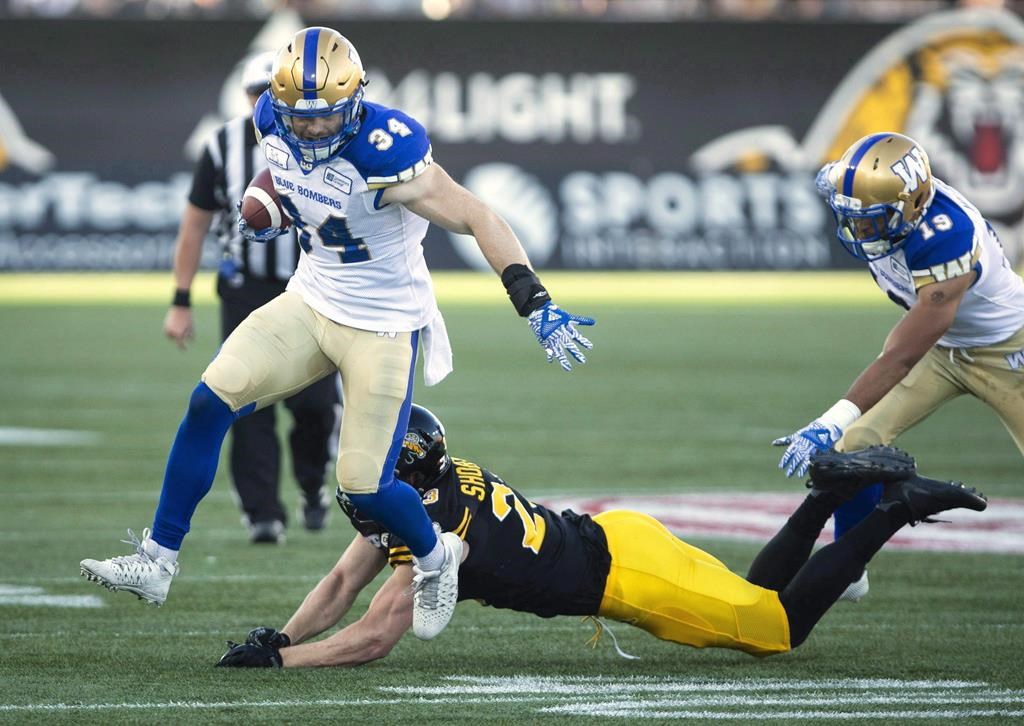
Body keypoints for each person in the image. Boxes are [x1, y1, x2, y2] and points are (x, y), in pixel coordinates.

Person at [80, 26, 595, 642]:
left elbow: (478, 214)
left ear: (355, 101)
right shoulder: (272, 117)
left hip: (382, 324)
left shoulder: (387, 151)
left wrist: (533, 299)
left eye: (326, 118)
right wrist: (269, 206)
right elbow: (284, 171)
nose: (312, 129)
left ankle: (437, 560)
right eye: (300, 117)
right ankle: (158, 561)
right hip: (310, 298)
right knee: (208, 400)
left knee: (364, 487)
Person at [214, 405, 987, 668]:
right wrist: (279, 634)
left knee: (777, 632)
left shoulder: (441, 525)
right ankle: (822, 499)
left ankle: (891, 510)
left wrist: (283, 661)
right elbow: (344, 580)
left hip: (627, 581)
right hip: (618, 537)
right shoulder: (434, 488)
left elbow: (376, 635)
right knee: (755, 598)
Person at [774, 132, 1024, 602]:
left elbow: (902, 355)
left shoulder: (945, 237)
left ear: (913, 205)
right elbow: (838, 180)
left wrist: (828, 419)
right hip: (946, 348)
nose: (858, 230)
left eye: (870, 220)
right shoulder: (882, 196)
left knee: (842, 429)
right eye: (851, 217)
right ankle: (849, 567)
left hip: (1008, 352)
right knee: (854, 448)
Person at [163, 51, 339, 544]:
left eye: (272, 89)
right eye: (255, 92)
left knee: (317, 405)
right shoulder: (221, 146)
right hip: (246, 287)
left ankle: (311, 486)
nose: (264, 100)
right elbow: (194, 224)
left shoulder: (324, 137)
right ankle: (264, 512)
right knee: (244, 398)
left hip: (314, 283)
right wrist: (180, 299)